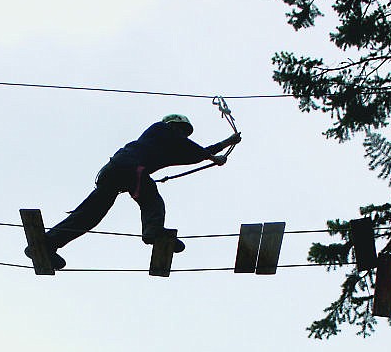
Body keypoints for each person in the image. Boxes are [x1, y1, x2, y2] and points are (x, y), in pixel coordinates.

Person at [26, 114, 241, 269]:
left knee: (89, 215)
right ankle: (153, 232)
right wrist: (213, 157)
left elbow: (194, 155)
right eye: (182, 131)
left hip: (117, 173)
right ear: (173, 126)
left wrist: (225, 144)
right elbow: (191, 148)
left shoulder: (167, 148)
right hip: (129, 168)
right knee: (151, 199)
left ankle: (48, 243)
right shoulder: (160, 129)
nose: (183, 136)